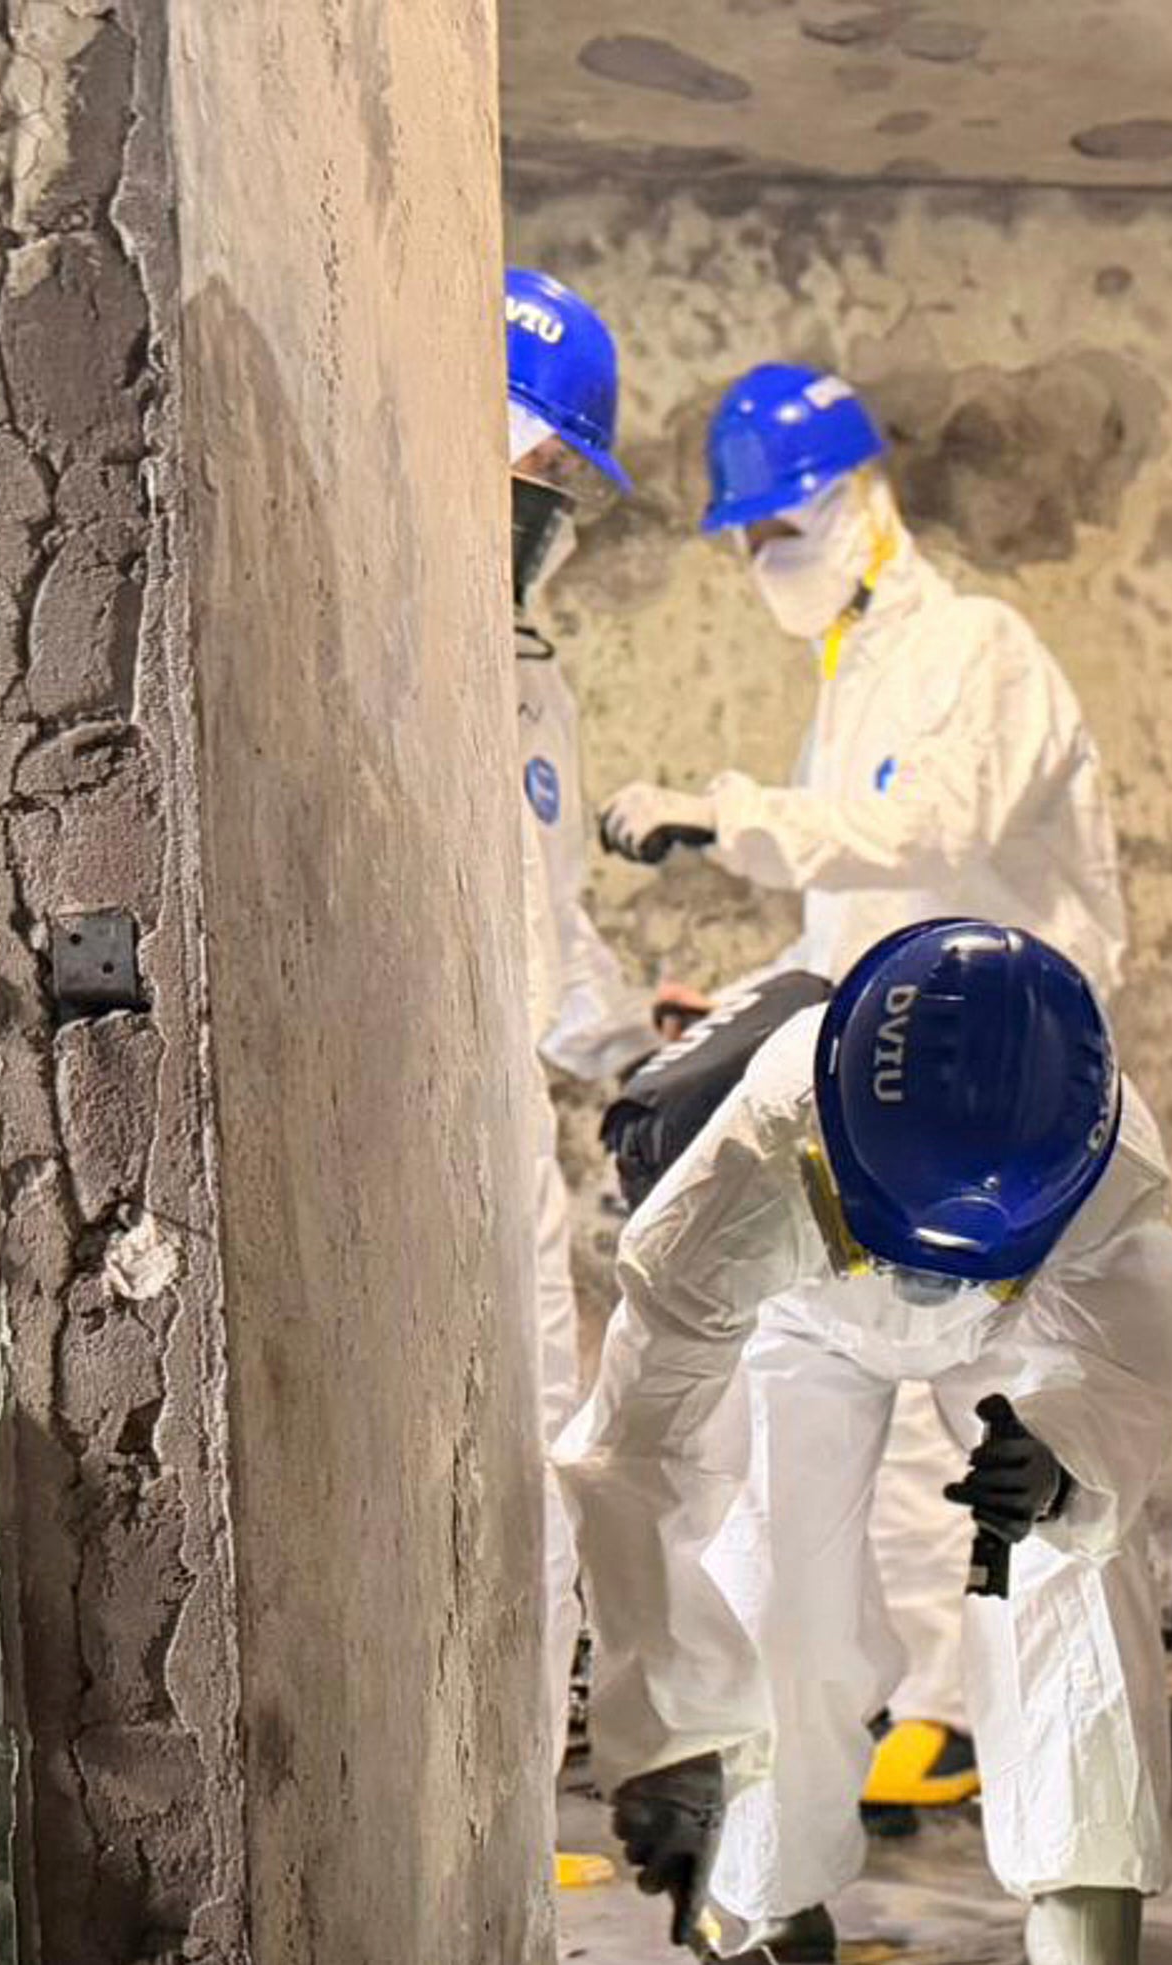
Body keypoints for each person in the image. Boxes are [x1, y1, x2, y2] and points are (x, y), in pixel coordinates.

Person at [593, 363, 1132, 1825]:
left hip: (1019, 1090)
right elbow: (856, 912)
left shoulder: (980, 649)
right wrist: (760, 994)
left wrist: (731, 810)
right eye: (750, 540)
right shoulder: (859, 673)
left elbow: (931, 827)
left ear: (857, 503)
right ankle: (930, 1714)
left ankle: (1043, 1750)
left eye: (778, 528)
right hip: (899, 1099)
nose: (763, 562)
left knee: (1006, 1408)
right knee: (871, 1379)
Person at [566, 918, 1172, 1965]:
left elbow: (1128, 1374)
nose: (923, 1278)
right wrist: (662, 1744)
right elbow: (641, 1465)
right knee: (771, 1573)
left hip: (1019, 1323)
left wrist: (1062, 1458)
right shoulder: (742, 1174)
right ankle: (759, 1891)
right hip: (799, 1318)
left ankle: (1083, 1925)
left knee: (1068, 1564)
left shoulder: (1108, 1175)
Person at [502, 268, 665, 1756]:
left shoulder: (533, 687)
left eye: (565, 482)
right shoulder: (342, 644)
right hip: (375, 1152)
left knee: (543, 1447)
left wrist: (643, 1052)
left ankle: (508, 1790)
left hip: (503, 1158)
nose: (549, 507)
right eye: (534, 468)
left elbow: (548, 941)